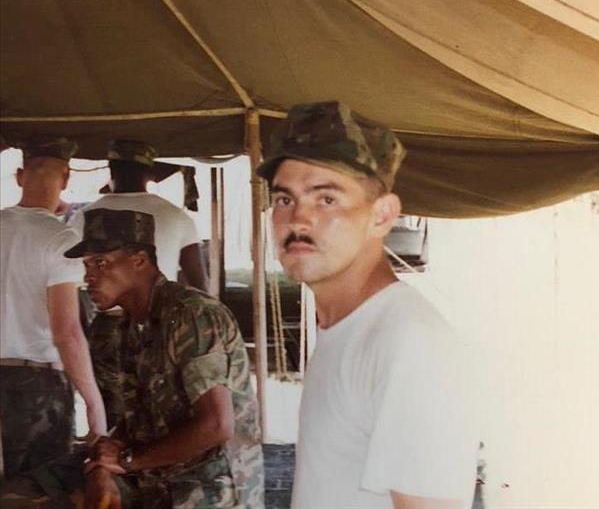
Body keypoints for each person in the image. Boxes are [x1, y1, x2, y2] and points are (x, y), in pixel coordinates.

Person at [257, 101, 477, 509]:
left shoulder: (409, 345)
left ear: (381, 216)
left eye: (326, 200)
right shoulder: (346, 326)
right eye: (285, 200)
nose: (298, 220)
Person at [0, 208, 264, 507]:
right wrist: (102, 466)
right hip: (150, 466)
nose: (89, 277)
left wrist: (125, 461)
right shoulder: (129, 325)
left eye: (101, 263)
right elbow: (132, 419)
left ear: (139, 261)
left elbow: (217, 426)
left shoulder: (191, 314)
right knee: (18, 496)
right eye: (86, 265)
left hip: (208, 478)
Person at [70, 139, 209, 429]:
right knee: (163, 412)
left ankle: (114, 467)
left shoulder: (85, 216)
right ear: (150, 172)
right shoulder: (176, 216)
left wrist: (83, 330)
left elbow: (71, 285)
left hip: (107, 325)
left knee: (110, 416)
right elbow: (199, 284)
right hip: (165, 323)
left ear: (111, 168)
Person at [0, 137, 107, 478]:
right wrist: (93, 402)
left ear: (20, 177)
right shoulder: (62, 241)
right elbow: (67, 332)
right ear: (66, 180)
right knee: (41, 490)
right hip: (38, 386)